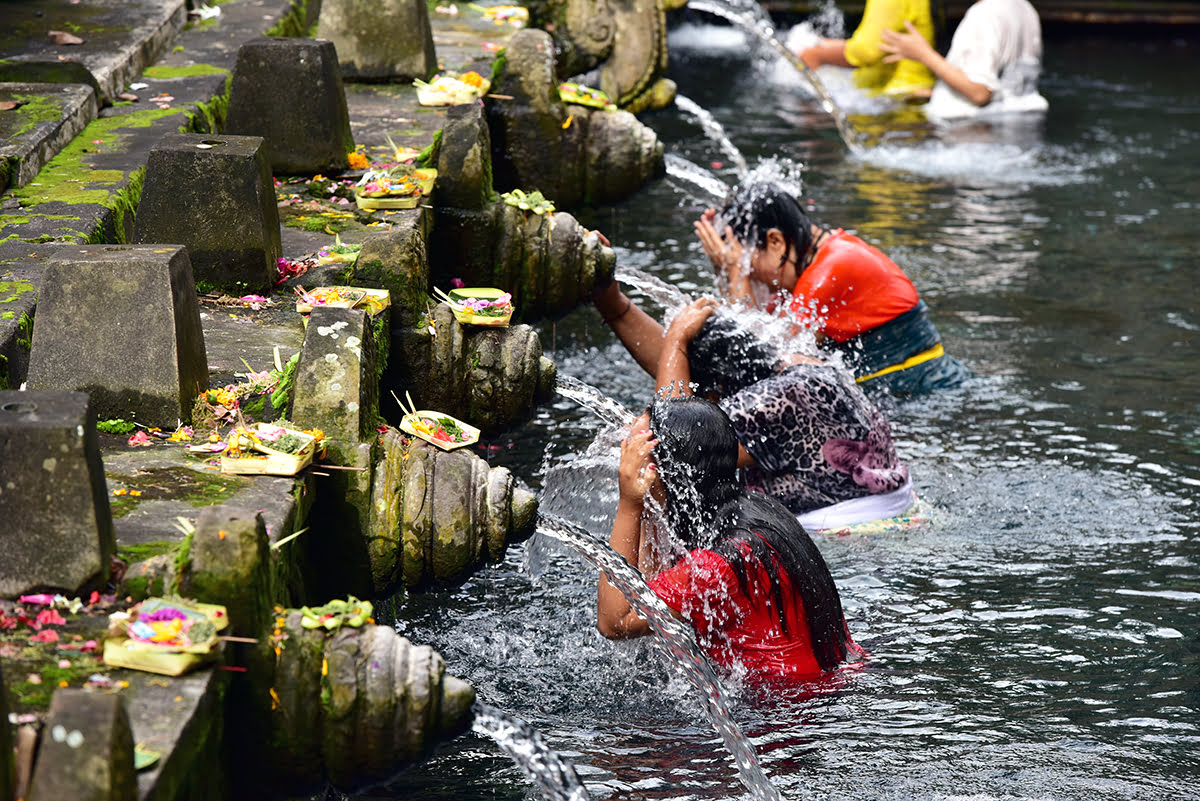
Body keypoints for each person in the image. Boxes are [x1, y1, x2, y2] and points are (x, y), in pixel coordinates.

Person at [594, 286, 916, 529]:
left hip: (854, 535)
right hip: (897, 513)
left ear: (716, 389)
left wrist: (678, 340)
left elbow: (671, 441)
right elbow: (683, 378)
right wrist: (614, 303)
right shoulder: (794, 368)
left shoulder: (777, 400)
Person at [596, 396, 865, 679]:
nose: (624, 461)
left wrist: (630, 503)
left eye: (634, 452)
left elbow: (615, 621)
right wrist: (651, 505)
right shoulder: (757, 509)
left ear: (661, 471)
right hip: (831, 682)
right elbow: (653, 586)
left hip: (783, 710)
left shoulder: (713, 566)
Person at [693, 182, 970, 395]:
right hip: (908, 395)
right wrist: (726, 270)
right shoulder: (817, 258)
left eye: (746, 266)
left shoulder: (830, 271)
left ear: (775, 241)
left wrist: (734, 276)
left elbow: (758, 360)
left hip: (928, 398)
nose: (753, 280)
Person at [879, 0, 1047, 120]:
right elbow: (1008, 81)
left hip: (969, 133)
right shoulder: (1025, 8)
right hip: (1017, 122)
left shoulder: (984, 14)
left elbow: (980, 93)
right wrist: (938, 92)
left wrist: (923, 54)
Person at [796, 0, 936, 99]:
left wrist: (816, 55)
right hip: (906, 92)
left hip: (896, 98)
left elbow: (867, 51)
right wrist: (825, 44)